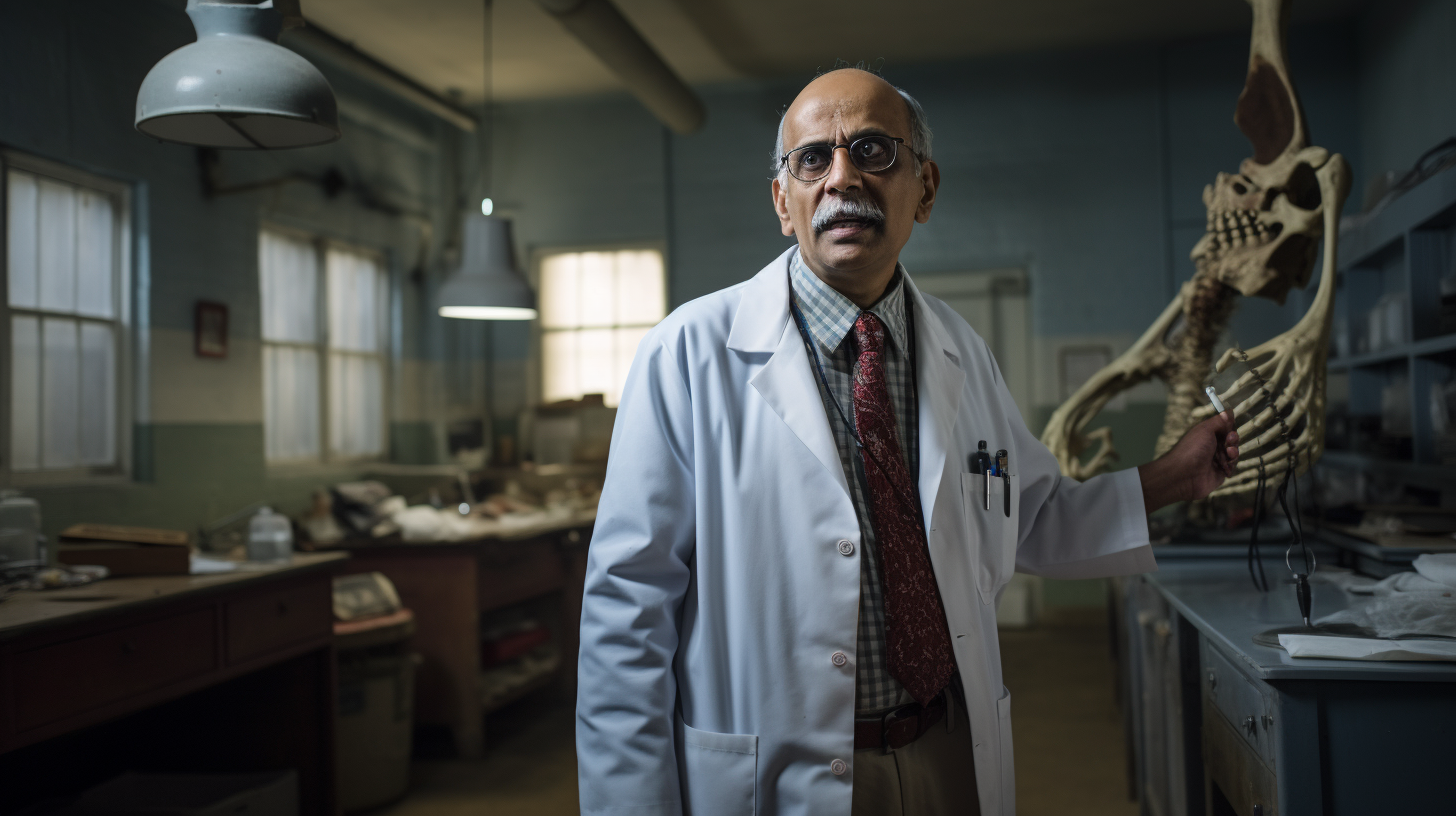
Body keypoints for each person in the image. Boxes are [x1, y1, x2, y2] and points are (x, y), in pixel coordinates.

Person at [576, 68, 1238, 816]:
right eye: (813, 159)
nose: (842, 177)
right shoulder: (688, 355)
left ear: (924, 189)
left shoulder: (962, 351)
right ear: (783, 204)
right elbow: (629, 610)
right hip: (773, 778)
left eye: (873, 151)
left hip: (947, 755)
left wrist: (1175, 477)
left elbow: (1033, 516)